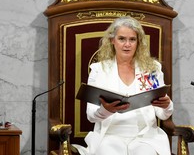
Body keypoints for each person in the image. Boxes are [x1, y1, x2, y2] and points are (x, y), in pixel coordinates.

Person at [74, 16, 173, 155]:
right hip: (109, 136)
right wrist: (106, 110)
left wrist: (167, 105)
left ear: (138, 42)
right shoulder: (98, 70)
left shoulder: (152, 68)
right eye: (122, 39)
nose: (127, 44)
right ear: (112, 40)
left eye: (132, 39)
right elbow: (91, 115)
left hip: (145, 137)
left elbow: (162, 115)